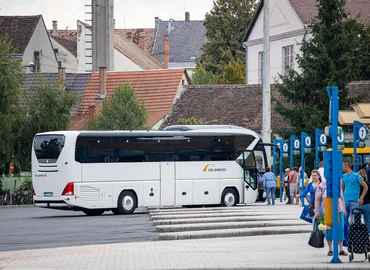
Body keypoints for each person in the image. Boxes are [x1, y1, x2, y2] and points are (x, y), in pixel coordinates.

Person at [314, 177, 347, 256]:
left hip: (339, 209)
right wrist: (317, 210)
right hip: (328, 211)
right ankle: (330, 249)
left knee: (340, 228)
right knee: (329, 229)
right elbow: (317, 199)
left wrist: (344, 209)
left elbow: (342, 198)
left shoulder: (337, 184)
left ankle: (341, 249)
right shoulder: (322, 185)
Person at [341, 161, 368, 226]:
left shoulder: (356, 176)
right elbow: (342, 189)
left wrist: (361, 197)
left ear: (346, 166)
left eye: (342, 166)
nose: (342, 168)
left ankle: (352, 234)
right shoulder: (343, 176)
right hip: (345, 200)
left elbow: (365, 187)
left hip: (354, 201)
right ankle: (347, 233)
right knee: (344, 219)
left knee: (353, 220)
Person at [358, 169, 370, 237]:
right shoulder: (368, 184)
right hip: (367, 203)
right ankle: (368, 233)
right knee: (367, 219)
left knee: (357, 219)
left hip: (358, 203)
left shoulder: (357, 185)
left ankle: (359, 232)